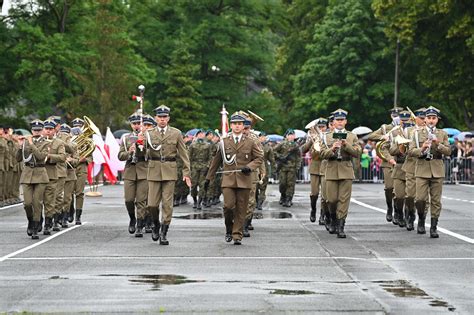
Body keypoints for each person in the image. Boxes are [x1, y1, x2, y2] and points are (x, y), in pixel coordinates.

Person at [205, 111, 263, 245]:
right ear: (231, 125)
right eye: (235, 124)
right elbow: (216, 161)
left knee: (241, 208)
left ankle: (237, 234)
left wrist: (250, 166)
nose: (237, 126)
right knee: (228, 206)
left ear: (243, 126)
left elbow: (259, 157)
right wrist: (209, 178)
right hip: (228, 179)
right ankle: (228, 228)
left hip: (244, 179)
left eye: (240, 124)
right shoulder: (224, 142)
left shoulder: (250, 142)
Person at [143, 105, 191, 245]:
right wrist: (139, 145)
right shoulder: (149, 133)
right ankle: (156, 224)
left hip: (170, 171)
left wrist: (186, 172)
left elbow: (184, 154)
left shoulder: (176, 133)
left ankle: (164, 231)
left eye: (165, 117)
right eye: (160, 117)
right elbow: (143, 152)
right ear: (156, 118)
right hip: (153, 170)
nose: (162, 119)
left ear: (168, 118)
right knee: (151, 204)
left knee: (167, 204)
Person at [408, 106, 451, 238]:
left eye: (434, 118)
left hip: (437, 169)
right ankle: (421, 218)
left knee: (436, 201)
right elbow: (410, 151)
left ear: (437, 120)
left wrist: (438, 144)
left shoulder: (442, 133)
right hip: (422, 168)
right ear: (424, 119)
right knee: (420, 199)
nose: (431, 120)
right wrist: (422, 148)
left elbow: (448, 151)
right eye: (429, 118)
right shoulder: (416, 133)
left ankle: (433, 227)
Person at [320, 109, 362, 238]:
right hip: (331, 169)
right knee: (331, 200)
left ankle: (341, 225)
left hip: (346, 169)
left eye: (342, 120)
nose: (339, 122)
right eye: (337, 120)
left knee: (344, 200)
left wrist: (345, 144)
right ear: (333, 122)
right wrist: (332, 149)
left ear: (345, 122)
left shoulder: (351, 136)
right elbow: (322, 154)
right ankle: (332, 218)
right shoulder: (327, 136)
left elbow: (357, 152)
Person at [16, 120, 50, 239]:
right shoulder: (25, 142)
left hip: (40, 174)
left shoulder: (46, 143)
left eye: (38, 130)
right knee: (27, 203)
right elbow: (18, 159)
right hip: (27, 174)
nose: (36, 132)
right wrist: (20, 147)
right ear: (31, 130)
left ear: (42, 131)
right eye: (34, 130)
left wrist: (31, 143)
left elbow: (40, 157)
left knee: (37, 203)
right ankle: (30, 221)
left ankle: (35, 227)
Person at [368, 107, 403, 222]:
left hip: (401, 161)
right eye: (394, 115)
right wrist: (382, 137)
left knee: (399, 191)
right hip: (387, 161)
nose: (396, 117)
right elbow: (371, 136)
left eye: (398, 115)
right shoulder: (385, 128)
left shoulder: (406, 128)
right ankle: (389, 208)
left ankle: (398, 212)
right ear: (391, 116)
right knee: (389, 188)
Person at [118, 112, 149, 237]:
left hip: (143, 171)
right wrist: (129, 152)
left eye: (138, 123)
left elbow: (149, 155)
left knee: (141, 200)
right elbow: (120, 156)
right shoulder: (126, 138)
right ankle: (132, 218)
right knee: (129, 199)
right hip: (130, 171)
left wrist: (141, 145)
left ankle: (140, 225)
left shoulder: (147, 137)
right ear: (131, 125)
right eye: (134, 124)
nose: (136, 126)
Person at [401, 107, 426, 230]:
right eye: (421, 118)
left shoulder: (431, 132)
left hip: (426, 166)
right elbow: (402, 148)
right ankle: (410, 213)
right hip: (411, 166)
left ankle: (422, 219)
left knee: (423, 198)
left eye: (425, 118)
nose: (424, 120)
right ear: (415, 118)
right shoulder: (408, 131)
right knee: (410, 195)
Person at [42, 118, 66, 235]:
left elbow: (62, 157)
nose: (48, 131)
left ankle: (49, 222)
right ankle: (37, 220)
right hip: (38, 175)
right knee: (36, 202)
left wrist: (49, 156)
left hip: (52, 174)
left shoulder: (59, 142)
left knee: (52, 200)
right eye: (46, 129)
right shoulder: (37, 141)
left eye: (50, 129)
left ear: (54, 130)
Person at [388, 110, 412, 228]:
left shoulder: (414, 132)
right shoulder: (395, 133)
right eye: (403, 121)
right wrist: (400, 148)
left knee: (410, 196)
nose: (405, 123)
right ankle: (399, 213)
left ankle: (409, 216)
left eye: (407, 121)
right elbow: (391, 150)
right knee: (399, 195)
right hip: (399, 166)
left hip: (411, 166)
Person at [302, 118, 327, 224]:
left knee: (325, 194)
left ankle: (322, 215)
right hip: (315, 167)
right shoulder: (312, 137)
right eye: (319, 127)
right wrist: (310, 140)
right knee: (314, 193)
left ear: (326, 127)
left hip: (326, 167)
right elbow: (303, 150)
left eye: (322, 127)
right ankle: (313, 210)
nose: (320, 129)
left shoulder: (328, 137)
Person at [70, 117, 92, 225]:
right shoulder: (68, 140)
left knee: (79, 193)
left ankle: (78, 216)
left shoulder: (86, 140)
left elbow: (91, 156)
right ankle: (70, 211)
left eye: (79, 127)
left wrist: (85, 159)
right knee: (69, 192)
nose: (77, 129)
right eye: (75, 127)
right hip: (70, 168)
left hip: (81, 167)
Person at [274, 129, 302, 207]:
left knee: (290, 184)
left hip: (292, 168)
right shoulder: (282, 144)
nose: (291, 136)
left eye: (293, 135)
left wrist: (298, 166)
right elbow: (273, 151)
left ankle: (289, 199)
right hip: (283, 167)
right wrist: (280, 157)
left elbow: (299, 157)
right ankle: (283, 196)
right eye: (290, 135)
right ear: (286, 136)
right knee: (282, 183)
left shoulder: (296, 146)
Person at [189, 129, 212, 210]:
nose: (201, 135)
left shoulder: (208, 145)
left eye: (202, 134)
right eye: (199, 134)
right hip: (194, 166)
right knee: (194, 185)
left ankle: (199, 201)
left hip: (204, 166)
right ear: (197, 135)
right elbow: (189, 157)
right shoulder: (192, 145)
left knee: (202, 185)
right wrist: (190, 167)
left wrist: (208, 166)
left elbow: (210, 157)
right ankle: (195, 200)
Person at [256, 131, 275, 210]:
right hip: (256, 168)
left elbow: (272, 159)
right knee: (255, 187)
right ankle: (256, 200)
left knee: (263, 187)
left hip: (265, 169)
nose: (263, 138)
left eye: (264, 137)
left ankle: (260, 202)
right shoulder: (255, 145)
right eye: (261, 137)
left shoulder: (268, 147)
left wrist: (274, 169)